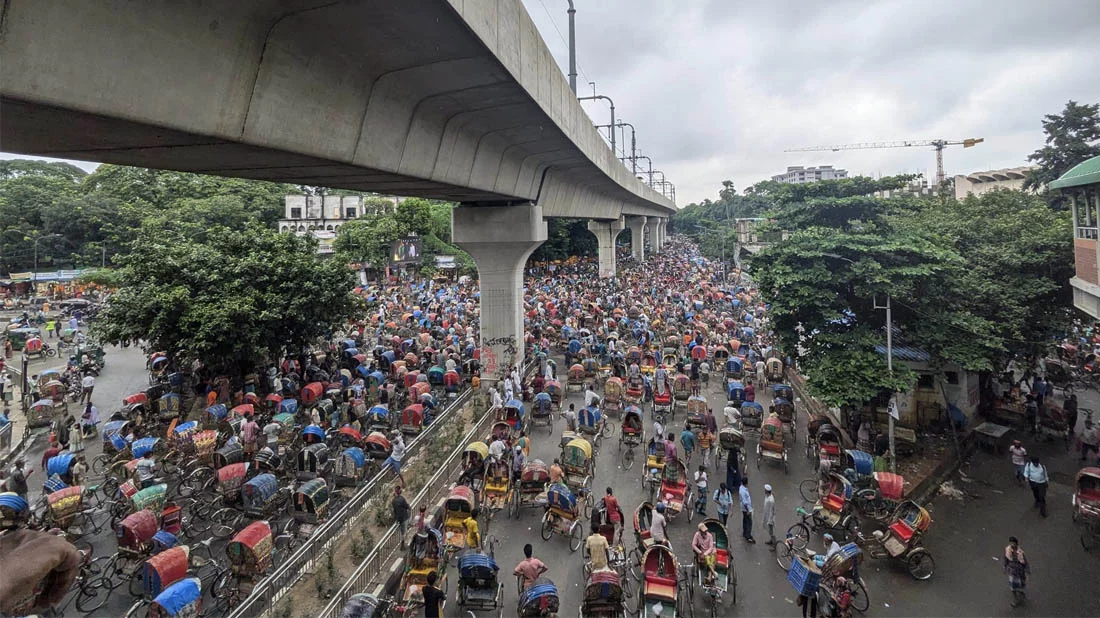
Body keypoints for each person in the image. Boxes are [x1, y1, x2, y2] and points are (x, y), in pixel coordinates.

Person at [1004, 536, 1030, 607]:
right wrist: (1005, 568)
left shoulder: (1020, 552)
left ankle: (1020, 592)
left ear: (1016, 544)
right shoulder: (1007, 550)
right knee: (1013, 587)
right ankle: (1015, 599)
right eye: (1011, 543)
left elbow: (1025, 562)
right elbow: (1006, 560)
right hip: (1012, 571)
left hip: (1020, 571)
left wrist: (1027, 570)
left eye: (1013, 543)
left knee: (1021, 583)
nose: (1012, 545)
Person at [739, 477, 754, 543]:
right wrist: (748, 510)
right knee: (749, 522)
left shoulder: (741, 488)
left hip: (744, 508)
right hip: (746, 509)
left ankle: (745, 532)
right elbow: (745, 502)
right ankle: (748, 536)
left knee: (745, 520)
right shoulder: (743, 491)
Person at [762, 483, 777, 548]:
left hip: (770, 518)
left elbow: (771, 511)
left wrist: (770, 521)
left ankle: (774, 544)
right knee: (770, 531)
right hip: (767, 515)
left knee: (771, 532)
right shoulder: (767, 496)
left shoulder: (771, 500)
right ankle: (771, 540)